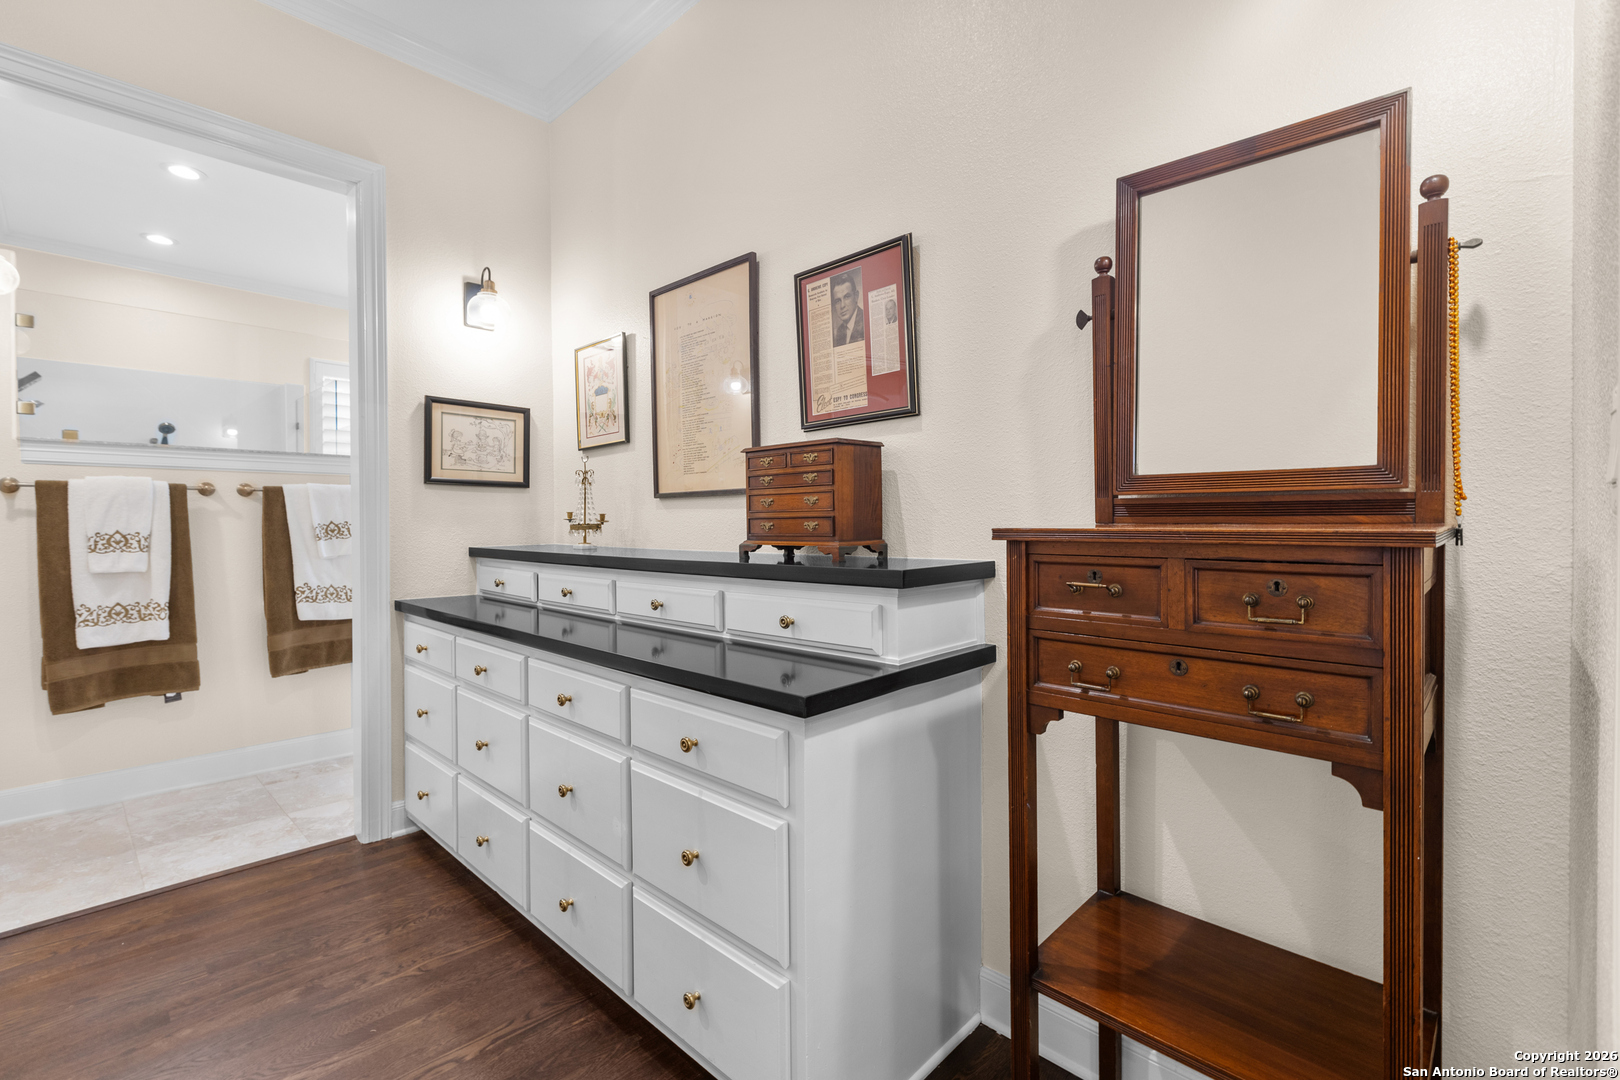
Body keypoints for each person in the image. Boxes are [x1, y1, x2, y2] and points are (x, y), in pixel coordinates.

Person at [831, 270, 865, 346]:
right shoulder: (840, 331)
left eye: (847, 297)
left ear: (856, 296)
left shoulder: (865, 320)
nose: (842, 305)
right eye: (838, 301)